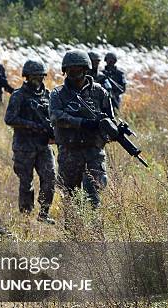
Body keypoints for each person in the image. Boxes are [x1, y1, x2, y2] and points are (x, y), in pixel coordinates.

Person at [49, 50, 115, 211]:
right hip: (69, 151)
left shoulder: (99, 92)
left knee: (93, 195)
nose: (74, 73)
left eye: (78, 69)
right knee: (71, 196)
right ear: (65, 71)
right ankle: (73, 233)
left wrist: (111, 130)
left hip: (94, 151)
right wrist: (83, 123)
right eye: (70, 70)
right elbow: (56, 117)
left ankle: (93, 234)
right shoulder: (57, 94)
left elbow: (110, 118)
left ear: (86, 69)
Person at [4, 60, 56, 224]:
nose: (36, 79)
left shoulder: (48, 95)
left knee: (50, 178)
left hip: (43, 145)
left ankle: (44, 213)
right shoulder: (18, 95)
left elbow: (54, 117)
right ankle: (26, 216)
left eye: (39, 76)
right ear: (26, 77)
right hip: (24, 146)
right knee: (26, 182)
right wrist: (32, 125)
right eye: (33, 76)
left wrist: (53, 132)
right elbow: (10, 119)